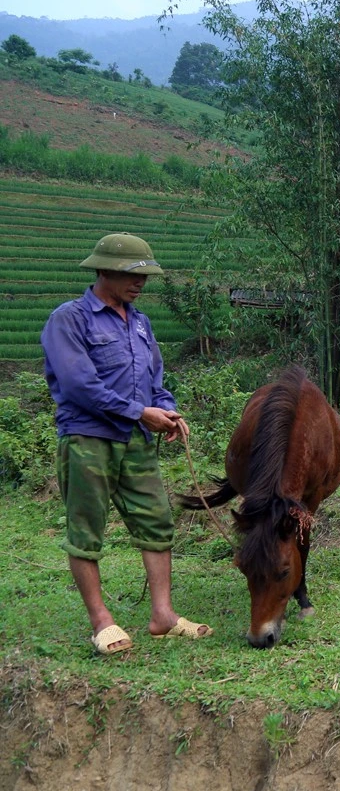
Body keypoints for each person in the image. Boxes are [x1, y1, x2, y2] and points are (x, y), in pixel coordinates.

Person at [41, 233, 212, 655]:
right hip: (88, 439)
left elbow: (155, 381)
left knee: (157, 521)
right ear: (103, 271)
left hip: (135, 442)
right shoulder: (70, 319)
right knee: (86, 529)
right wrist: (140, 413)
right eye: (131, 275)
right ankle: (101, 622)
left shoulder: (139, 322)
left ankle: (164, 616)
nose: (140, 284)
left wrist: (167, 411)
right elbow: (80, 385)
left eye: (145, 276)